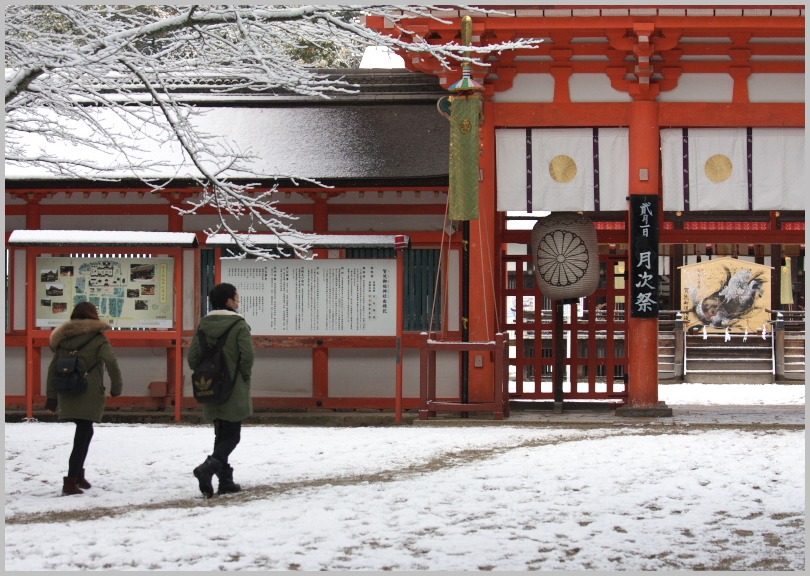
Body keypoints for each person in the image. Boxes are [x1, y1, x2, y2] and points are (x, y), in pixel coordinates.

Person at [45, 301, 123, 495]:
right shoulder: (98, 339)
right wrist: (117, 387)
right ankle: (70, 481)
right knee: (83, 434)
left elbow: (52, 368)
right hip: (89, 392)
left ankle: (78, 475)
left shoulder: (63, 340)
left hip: (68, 390)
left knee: (85, 432)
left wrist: (52, 398)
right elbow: (111, 362)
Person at [188, 283, 254, 498]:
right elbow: (247, 357)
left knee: (221, 433)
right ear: (228, 301)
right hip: (233, 386)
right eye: (236, 297)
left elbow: (192, 359)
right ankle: (207, 468)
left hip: (211, 386)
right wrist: (243, 377)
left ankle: (225, 481)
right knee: (232, 435)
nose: (238, 301)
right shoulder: (239, 325)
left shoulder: (203, 326)